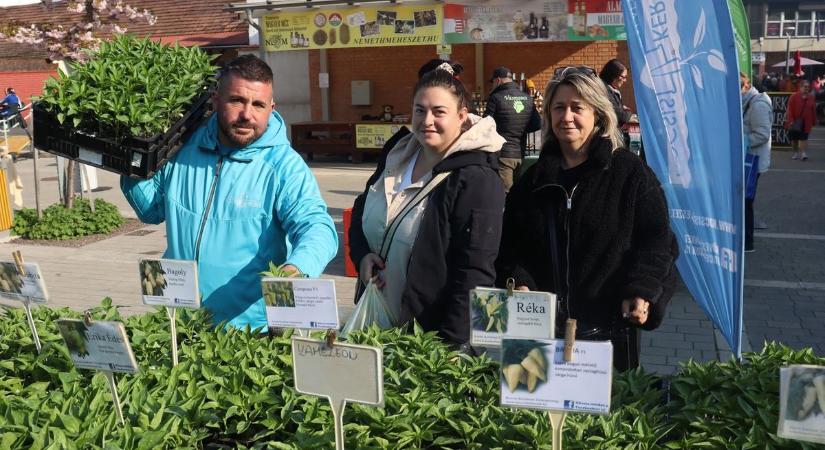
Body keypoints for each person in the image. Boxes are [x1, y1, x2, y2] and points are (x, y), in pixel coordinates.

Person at [121, 55, 337, 331]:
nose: (247, 114)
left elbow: (317, 227)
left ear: (272, 108)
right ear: (215, 99)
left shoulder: (283, 166)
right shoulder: (183, 148)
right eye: (237, 100)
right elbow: (151, 211)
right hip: (180, 319)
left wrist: (297, 268)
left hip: (248, 330)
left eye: (258, 105)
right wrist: (129, 167)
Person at [495, 67, 679, 371]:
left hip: (607, 336)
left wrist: (641, 290)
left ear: (598, 114)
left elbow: (657, 241)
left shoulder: (629, 173)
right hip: (540, 337)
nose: (566, 116)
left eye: (577, 107)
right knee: (538, 417)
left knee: (603, 417)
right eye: (558, 107)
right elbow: (510, 246)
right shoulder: (533, 180)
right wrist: (520, 281)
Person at [349, 62, 506, 347]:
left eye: (439, 112)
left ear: (462, 117)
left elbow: (474, 273)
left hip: (427, 342)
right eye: (420, 110)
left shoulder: (477, 179)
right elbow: (361, 209)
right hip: (374, 328)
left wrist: (452, 350)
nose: (427, 120)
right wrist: (362, 255)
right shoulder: (397, 156)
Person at [485, 66, 541, 192]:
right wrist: (521, 130)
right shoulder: (527, 98)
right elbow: (537, 124)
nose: (493, 85)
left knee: (505, 195)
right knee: (518, 193)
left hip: (502, 154)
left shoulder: (495, 98)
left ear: (498, 80)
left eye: (493, 82)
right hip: (520, 153)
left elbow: (486, 124)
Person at [740, 72, 772, 253]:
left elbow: (761, 134)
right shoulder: (748, 101)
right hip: (747, 159)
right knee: (743, 200)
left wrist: (740, 141)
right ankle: (744, 239)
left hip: (752, 160)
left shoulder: (758, 104)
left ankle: (748, 242)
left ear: (746, 85)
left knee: (746, 201)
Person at [785, 80, 817, 161]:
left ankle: (803, 153)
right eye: (805, 87)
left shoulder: (811, 97)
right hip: (795, 122)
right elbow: (790, 110)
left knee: (804, 138)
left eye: (808, 87)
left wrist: (814, 120)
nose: (807, 88)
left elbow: (813, 110)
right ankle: (795, 153)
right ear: (801, 87)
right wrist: (791, 120)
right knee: (794, 139)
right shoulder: (794, 96)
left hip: (807, 122)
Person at [598, 59, 632, 127]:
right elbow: (622, 118)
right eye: (623, 77)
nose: (625, 80)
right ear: (613, 75)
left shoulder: (613, 91)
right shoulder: (604, 91)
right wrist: (628, 111)